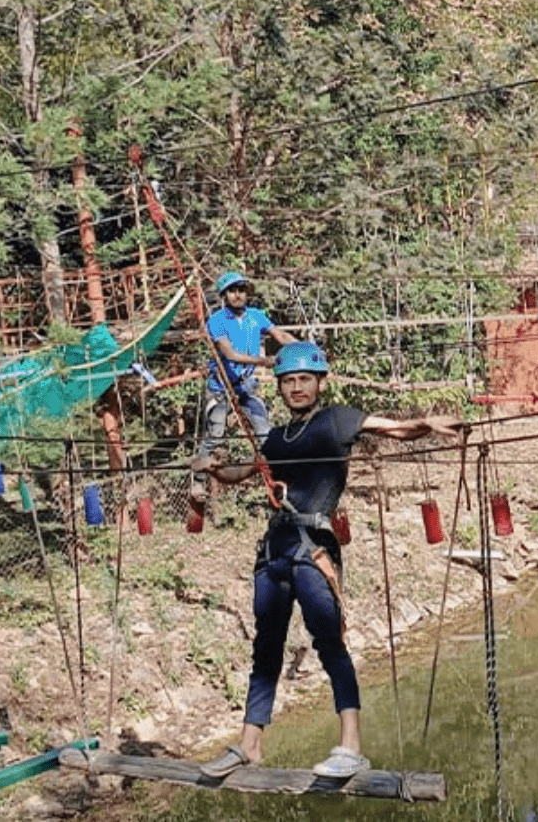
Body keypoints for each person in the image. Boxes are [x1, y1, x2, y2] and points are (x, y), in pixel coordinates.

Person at [191, 341, 462, 779]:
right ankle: (249, 746)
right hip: (275, 551)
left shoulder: (338, 420)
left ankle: (351, 746)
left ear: (320, 382)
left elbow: (392, 429)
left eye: (304, 380)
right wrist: (213, 467)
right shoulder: (277, 438)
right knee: (266, 650)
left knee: (329, 644)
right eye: (288, 381)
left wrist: (426, 424)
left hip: (312, 547)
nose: (296, 388)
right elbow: (245, 472)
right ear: (279, 387)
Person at [199, 271, 296, 457]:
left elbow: (281, 335)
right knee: (216, 435)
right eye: (232, 291)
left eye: (241, 290)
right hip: (221, 387)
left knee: (264, 432)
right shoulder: (217, 321)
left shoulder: (256, 316)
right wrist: (262, 361)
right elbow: (230, 354)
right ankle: (200, 478)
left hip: (246, 386)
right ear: (224, 296)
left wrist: (304, 347)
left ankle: (275, 475)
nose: (238, 295)